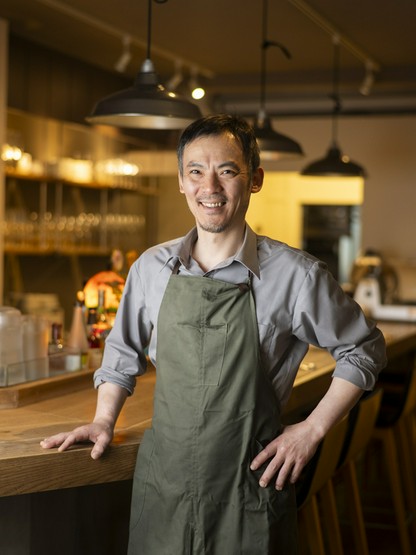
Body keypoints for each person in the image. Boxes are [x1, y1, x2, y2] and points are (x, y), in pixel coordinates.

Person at [41, 114, 386, 554]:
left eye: (227, 171)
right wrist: (103, 420)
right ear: (181, 182)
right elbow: (122, 351)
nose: (210, 187)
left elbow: (363, 348)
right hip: (165, 487)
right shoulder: (150, 268)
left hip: (249, 490)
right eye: (195, 172)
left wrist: (313, 429)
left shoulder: (296, 276)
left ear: (255, 179)